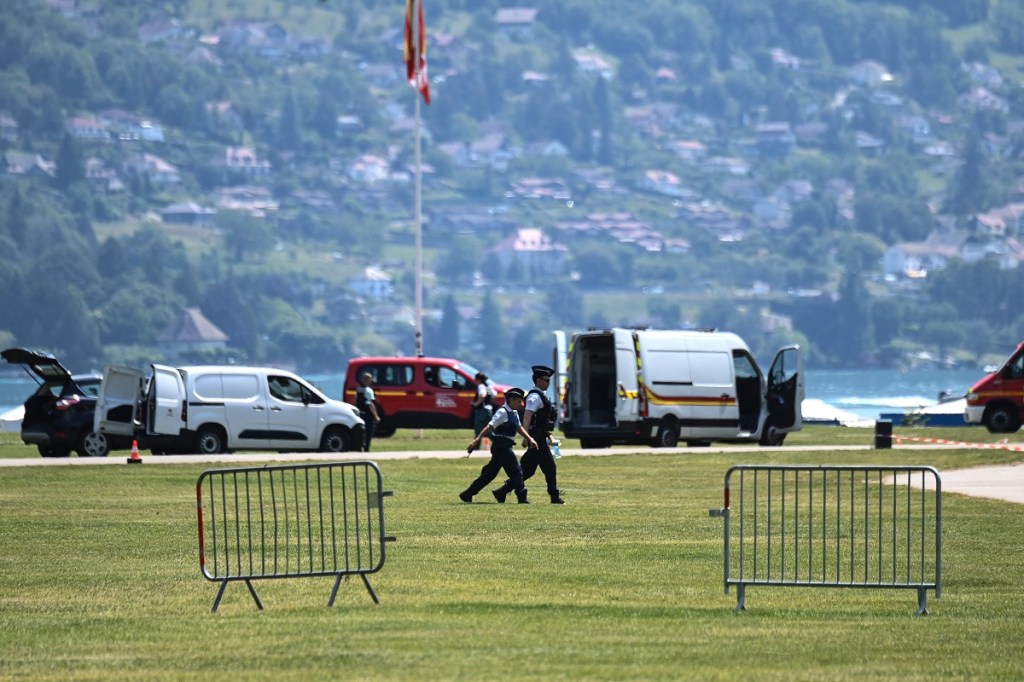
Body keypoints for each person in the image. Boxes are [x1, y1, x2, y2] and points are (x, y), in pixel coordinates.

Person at [493, 365, 565, 504]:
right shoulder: (534, 397)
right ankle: (554, 496)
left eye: (549, 380)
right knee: (549, 468)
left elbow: (541, 420)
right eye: (546, 380)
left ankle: (502, 491)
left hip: (539, 437)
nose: (548, 383)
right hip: (536, 439)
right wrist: (527, 438)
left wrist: (548, 435)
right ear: (538, 381)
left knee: (527, 471)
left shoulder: (541, 396)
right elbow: (527, 417)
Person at [460, 388, 536, 504]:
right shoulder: (502, 412)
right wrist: (477, 440)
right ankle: (522, 498)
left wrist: (530, 438)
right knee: (516, 472)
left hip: (504, 446)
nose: (522, 404)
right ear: (511, 400)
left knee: (489, 474)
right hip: (502, 446)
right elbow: (489, 427)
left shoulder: (513, 412)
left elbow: (519, 427)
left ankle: (467, 494)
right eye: (519, 401)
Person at [354, 371, 381, 452]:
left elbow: (356, 401)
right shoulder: (368, 390)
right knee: (368, 433)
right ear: (369, 380)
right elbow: (370, 404)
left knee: (361, 432)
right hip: (368, 415)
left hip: (360, 413)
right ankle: (366, 449)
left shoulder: (358, 389)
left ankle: (359, 447)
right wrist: (376, 416)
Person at [471, 371, 495, 436]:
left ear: (479, 380)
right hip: (489, 410)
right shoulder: (488, 387)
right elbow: (494, 395)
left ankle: (477, 442)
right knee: (489, 431)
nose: (474, 381)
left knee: (478, 432)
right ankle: (497, 442)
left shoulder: (481, 386)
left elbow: (482, 395)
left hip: (482, 411)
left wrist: (476, 404)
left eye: (475, 379)